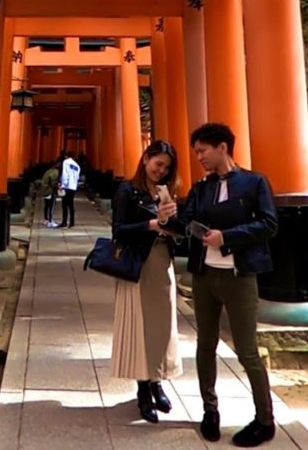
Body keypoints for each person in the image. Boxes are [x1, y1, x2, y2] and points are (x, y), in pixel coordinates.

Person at [171, 123, 279, 447]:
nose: (199, 157)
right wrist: (168, 217)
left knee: (247, 350)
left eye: (203, 150)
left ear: (222, 147)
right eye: (196, 152)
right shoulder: (201, 187)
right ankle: (210, 410)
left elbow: (269, 224)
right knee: (205, 344)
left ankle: (265, 420)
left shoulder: (254, 182)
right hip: (204, 275)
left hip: (239, 275)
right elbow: (185, 222)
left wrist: (227, 237)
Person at [109, 140, 183, 424]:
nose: (161, 171)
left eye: (166, 168)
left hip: (162, 262)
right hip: (137, 264)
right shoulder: (127, 190)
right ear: (145, 159)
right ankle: (143, 387)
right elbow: (119, 231)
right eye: (158, 164)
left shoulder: (165, 191)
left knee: (162, 326)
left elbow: (175, 229)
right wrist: (153, 224)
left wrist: (173, 223)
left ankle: (157, 381)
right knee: (140, 327)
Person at [57, 152, 80, 228]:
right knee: (71, 205)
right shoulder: (77, 166)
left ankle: (64, 222)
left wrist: (63, 185)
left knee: (64, 205)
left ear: (66, 156)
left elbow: (65, 174)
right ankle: (72, 222)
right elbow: (77, 177)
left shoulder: (66, 162)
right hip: (73, 187)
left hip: (67, 186)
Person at [39, 162, 61, 228]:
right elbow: (54, 183)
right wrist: (58, 189)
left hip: (45, 190)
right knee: (51, 206)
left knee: (46, 205)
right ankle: (50, 222)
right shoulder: (56, 172)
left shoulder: (48, 171)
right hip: (50, 191)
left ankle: (46, 219)